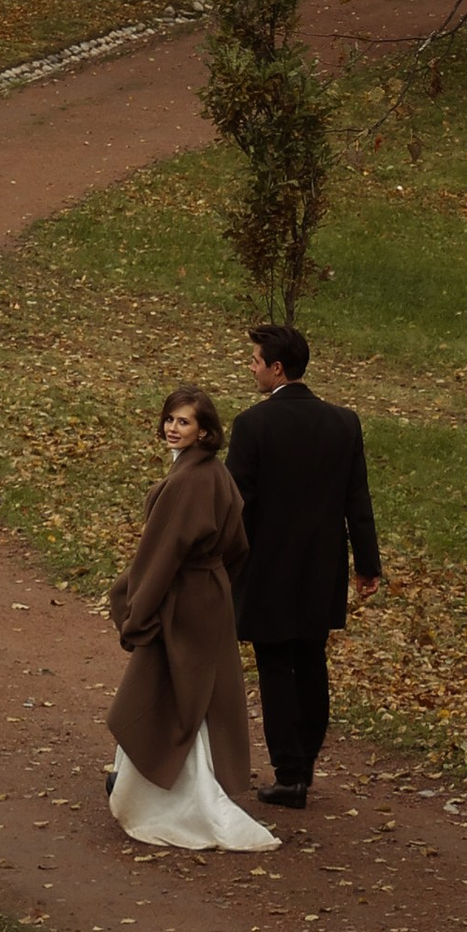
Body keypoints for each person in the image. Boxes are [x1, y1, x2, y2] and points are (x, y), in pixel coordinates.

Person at [104, 386, 279, 854]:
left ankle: (178, 802)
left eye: (183, 422)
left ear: (205, 430)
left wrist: (136, 611)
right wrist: (215, 579)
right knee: (195, 694)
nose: (172, 428)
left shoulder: (188, 482)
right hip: (210, 597)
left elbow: (160, 556)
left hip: (182, 601)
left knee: (173, 693)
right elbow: (238, 544)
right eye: (169, 419)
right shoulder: (215, 474)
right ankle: (145, 788)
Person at [225, 321, 380, 810]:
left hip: (267, 567)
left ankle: (290, 774)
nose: (250, 369)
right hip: (321, 565)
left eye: (254, 361)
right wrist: (367, 565)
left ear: (277, 367)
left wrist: (219, 558)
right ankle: (306, 765)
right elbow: (357, 499)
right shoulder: (343, 423)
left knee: (274, 665)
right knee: (312, 661)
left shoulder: (252, 425)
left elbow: (235, 504)